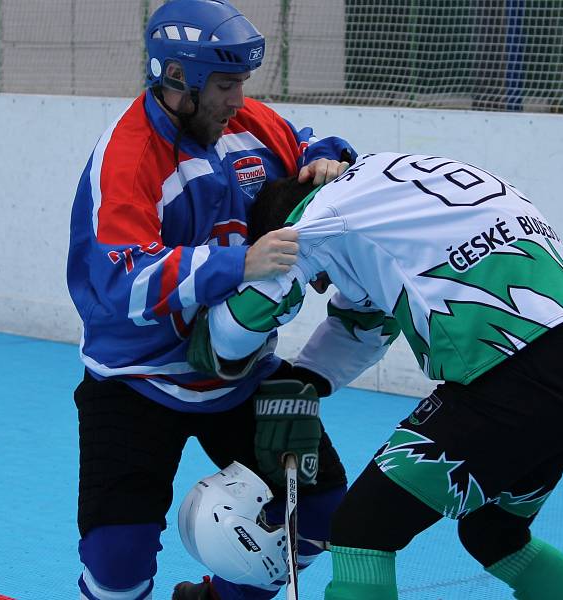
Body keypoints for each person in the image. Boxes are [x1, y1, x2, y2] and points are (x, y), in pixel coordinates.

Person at [191, 152, 563, 599]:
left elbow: (252, 311)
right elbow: (368, 321)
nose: (322, 286)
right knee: (495, 536)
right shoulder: (388, 188)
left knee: (361, 531)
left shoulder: (317, 218)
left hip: (514, 376)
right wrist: (306, 381)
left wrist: (208, 347)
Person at [65, 1, 354, 599]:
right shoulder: (125, 159)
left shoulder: (245, 122)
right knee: (117, 558)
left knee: (322, 512)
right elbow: (119, 281)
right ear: (176, 80)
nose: (237, 98)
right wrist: (237, 263)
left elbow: (308, 145)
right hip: (137, 378)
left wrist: (329, 159)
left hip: (241, 373)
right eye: (224, 84)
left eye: (243, 82)